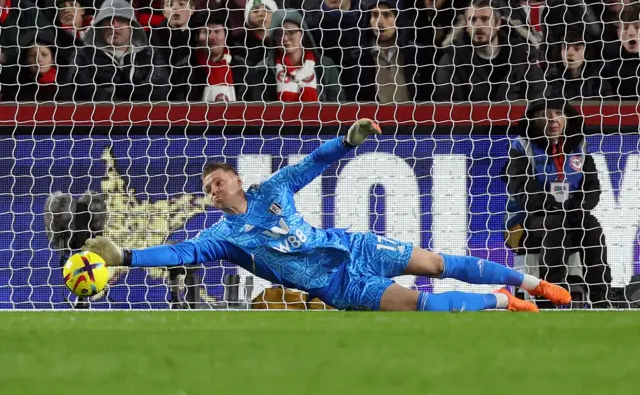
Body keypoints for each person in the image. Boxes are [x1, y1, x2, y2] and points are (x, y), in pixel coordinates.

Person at [83, 119, 571, 312]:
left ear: (235, 179)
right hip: (337, 286)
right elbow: (181, 251)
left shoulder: (272, 188)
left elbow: (310, 163)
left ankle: (533, 284)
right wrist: (125, 253)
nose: (213, 191)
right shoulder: (223, 236)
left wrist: (347, 142)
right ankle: (502, 301)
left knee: (438, 264)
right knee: (419, 307)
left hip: (352, 246)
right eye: (208, 189)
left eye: (218, 182)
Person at [504, 95, 612, 306]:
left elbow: (592, 186)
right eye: (546, 115)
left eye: (558, 114)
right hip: (525, 220)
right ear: (534, 121)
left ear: (568, 118)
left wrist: (578, 207)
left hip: (570, 213)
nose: (553, 120)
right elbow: (521, 189)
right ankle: (552, 295)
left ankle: (601, 297)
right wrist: (552, 206)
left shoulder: (578, 146)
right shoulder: (521, 147)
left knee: (592, 228)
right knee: (555, 226)